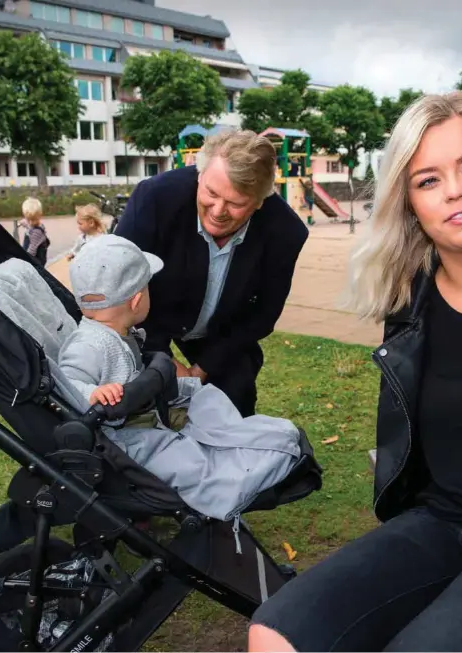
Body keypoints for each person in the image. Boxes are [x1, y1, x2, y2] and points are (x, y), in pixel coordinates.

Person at [248, 90, 462, 651]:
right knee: (273, 633)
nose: (455, 190)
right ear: (409, 200)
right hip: (443, 522)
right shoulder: (408, 299)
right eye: (428, 179)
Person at [57, 234, 302, 523]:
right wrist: (93, 394)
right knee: (184, 460)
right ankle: (232, 480)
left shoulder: (118, 335)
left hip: (145, 416)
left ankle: (240, 441)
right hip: (121, 439)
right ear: (137, 300)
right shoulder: (89, 343)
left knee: (204, 398)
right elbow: (67, 380)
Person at [115, 130, 308, 417]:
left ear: (260, 201)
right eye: (211, 193)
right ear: (199, 176)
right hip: (151, 315)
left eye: (236, 203)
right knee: (142, 401)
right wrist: (161, 357)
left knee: (236, 395)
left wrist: (203, 368)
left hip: (223, 329)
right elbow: (119, 280)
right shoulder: (154, 198)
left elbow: (264, 314)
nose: (218, 211)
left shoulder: (286, 232)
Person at [19, 197, 50, 266]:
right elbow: (30, 226)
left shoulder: (36, 232)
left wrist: (23, 261)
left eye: (33, 220)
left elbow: (31, 252)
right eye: (28, 219)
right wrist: (24, 223)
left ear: (40, 215)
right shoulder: (35, 225)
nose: (31, 223)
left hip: (36, 262)